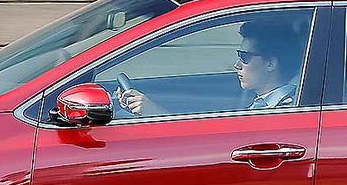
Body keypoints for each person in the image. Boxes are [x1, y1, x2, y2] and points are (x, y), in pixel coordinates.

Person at [119, 16, 304, 116]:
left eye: (244, 57)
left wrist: (156, 113)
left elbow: (223, 146)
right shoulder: (262, 102)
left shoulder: (284, 110)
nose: (237, 65)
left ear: (270, 64)